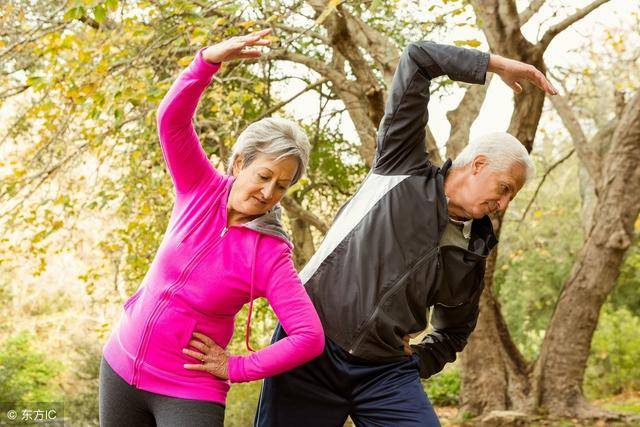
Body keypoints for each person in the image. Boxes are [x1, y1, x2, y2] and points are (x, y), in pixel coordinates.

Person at [254, 40, 556, 426]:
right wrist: (495, 66)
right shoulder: (402, 165)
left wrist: (418, 361)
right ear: (478, 164)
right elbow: (419, 58)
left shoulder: (473, 249)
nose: (504, 205)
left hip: (384, 374)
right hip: (311, 344)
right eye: (504, 189)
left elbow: (454, 331)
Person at [99, 29, 324, 427]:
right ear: (239, 164)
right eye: (264, 175)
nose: (269, 191)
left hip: (188, 391)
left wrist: (237, 366)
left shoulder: (271, 254)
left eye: (282, 186)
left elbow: (308, 337)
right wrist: (208, 60)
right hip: (120, 367)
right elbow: (171, 121)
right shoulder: (199, 187)